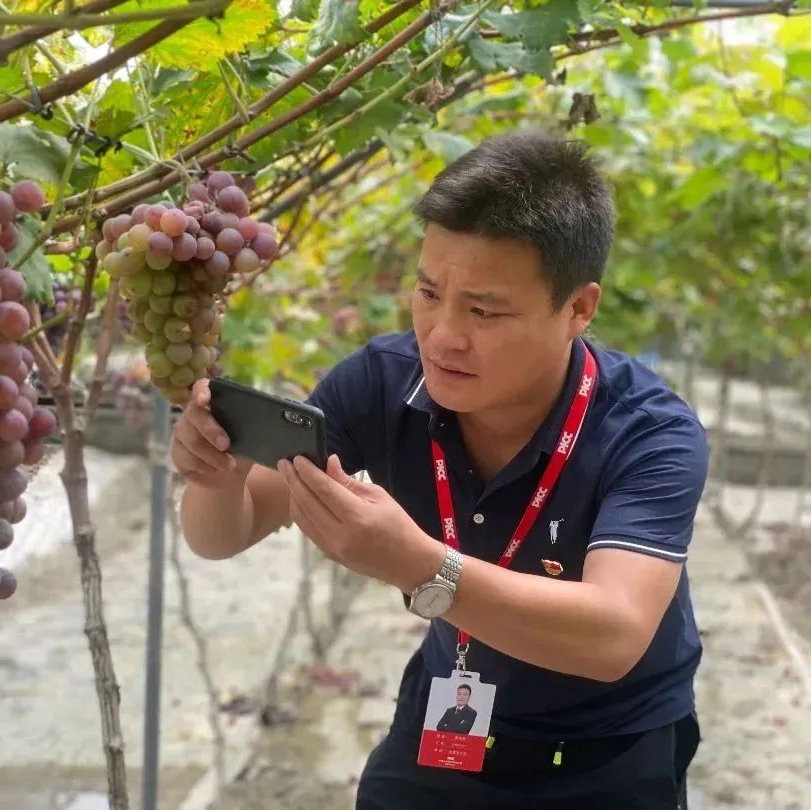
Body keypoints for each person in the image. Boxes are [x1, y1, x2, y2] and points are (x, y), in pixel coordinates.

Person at [170, 129, 706, 810]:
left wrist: (421, 566)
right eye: (428, 293)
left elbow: (613, 634)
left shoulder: (649, 431)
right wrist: (217, 479)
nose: (443, 334)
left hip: (611, 748)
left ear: (578, 308)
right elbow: (225, 532)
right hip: (450, 719)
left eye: (484, 310)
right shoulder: (381, 383)